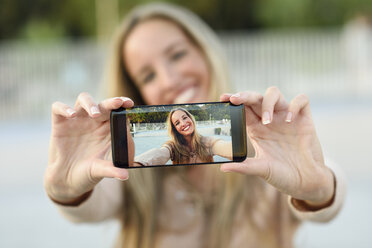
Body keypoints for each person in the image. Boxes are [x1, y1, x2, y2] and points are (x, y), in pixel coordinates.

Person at [44, 3, 346, 248]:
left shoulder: (266, 147)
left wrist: (318, 187)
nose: (169, 80)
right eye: (147, 76)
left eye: (177, 55)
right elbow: (95, 203)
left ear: (205, 51)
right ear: (138, 93)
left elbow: (326, 194)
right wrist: (66, 190)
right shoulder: (135, 173)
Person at [133, 108, 232, 167]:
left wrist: (238, 150)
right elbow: (160, 153)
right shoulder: (172, 146)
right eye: (177, 123)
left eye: (185, 118)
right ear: (175, 129)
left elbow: (221, 146)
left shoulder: (208, 142)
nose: (183, 123)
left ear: (190, 118)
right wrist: (137, 164)